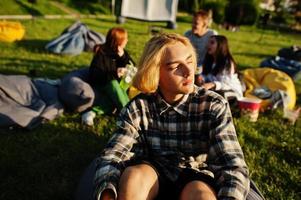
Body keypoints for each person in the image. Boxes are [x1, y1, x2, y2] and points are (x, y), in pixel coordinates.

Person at [85, 33, 265, 200]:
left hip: (196, 174)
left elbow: (232, 164)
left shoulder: (213, 105)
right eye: (175, 66)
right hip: (152, 169)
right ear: (154, 73)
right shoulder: (138, 107)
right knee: (133, 177)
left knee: (201, 196)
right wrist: (108, 191)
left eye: (190, 61)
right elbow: (114, 153)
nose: (188, 71)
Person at [82, 27, 135, 126]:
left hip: (119, 84)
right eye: (125, 38)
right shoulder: (102, 53)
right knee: (114, 84)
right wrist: (115, 73)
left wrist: (122, 56)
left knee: (119, 89)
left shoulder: (122, 52)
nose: (127, 40)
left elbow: (132, 66)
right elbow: (95, 74)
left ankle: (91, 112)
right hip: (104, 82)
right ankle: (131, 115)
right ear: (118, 41)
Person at [197, 35, 244, 100]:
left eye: (212, 43)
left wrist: (213, 84)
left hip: (232, 92)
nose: (208, 45)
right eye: (208, 42)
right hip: (216, 90)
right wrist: (202, 77)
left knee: (217, 95)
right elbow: (208, 76)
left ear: (220, 46)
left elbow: (227, 84)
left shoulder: (227, 63)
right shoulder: (209, 60)